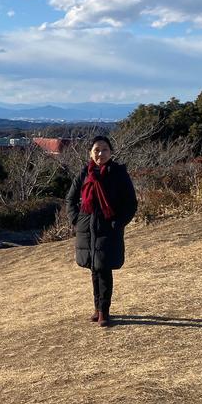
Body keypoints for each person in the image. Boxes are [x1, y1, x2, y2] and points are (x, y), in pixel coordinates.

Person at [66, 136, 137, 327]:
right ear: (90, 152)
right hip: (87, 229)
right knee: (94, 270)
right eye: (96, 149)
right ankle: (97, 309)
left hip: (108, 229)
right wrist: (77, 220)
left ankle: (104, 312)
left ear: (111, 152)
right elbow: (70, 200)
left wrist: (119, 222)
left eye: (104, 149)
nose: (100, 153)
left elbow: (130, 203)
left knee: (104, 270)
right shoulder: (84, 173)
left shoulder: (119, 173)